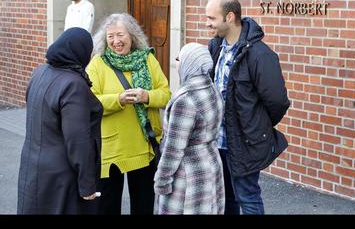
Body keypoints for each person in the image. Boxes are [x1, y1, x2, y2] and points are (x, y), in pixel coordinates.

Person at [205, 0, 290, 215]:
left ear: (230, 17)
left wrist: (257, 125)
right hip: (217, 142)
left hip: (243, 143)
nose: (207, 23)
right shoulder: (215, 47)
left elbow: (277, 102)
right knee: (225, 199)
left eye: (212, 18)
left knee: (248, 199)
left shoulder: (260, 55)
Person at [87, 13, 171, 215]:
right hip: (112, 150)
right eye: (111, 36)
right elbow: (89, 102)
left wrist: (147, 96)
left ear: (132, 36)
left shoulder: (148, 59)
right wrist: (118, 99)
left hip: (143, 147)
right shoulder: (98, 64)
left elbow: (166, 95)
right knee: (107, 206)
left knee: (143, 206)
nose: (116, 41)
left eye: (120, 35)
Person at [17, 28, 103, 215]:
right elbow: (77, 140)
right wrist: (87, 184)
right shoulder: (73, 84)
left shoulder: (40, 72)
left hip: (33, 164)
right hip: (62, 173)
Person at [154, 43, 225, 215]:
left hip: (188, 173)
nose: (176, 62)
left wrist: (162, 180)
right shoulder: (212, 88)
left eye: (179, 58)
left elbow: (174, 149)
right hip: (211, 161)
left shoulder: (186, 100)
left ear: (190, 63)